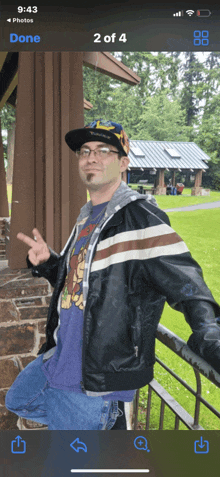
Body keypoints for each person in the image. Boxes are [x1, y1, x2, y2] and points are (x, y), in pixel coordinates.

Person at [5, 119, 220, 431]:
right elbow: (78, 284)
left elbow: (186, 281)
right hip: (58, 357)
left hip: (94, 379)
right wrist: (51, 263)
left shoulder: (140, 217)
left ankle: (103, 424)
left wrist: (208, 334)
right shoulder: (86, 218)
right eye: (85, 151)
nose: (92, 157)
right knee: (18, 400)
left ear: (123, 163)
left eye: (104, 150)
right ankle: (108, 428)